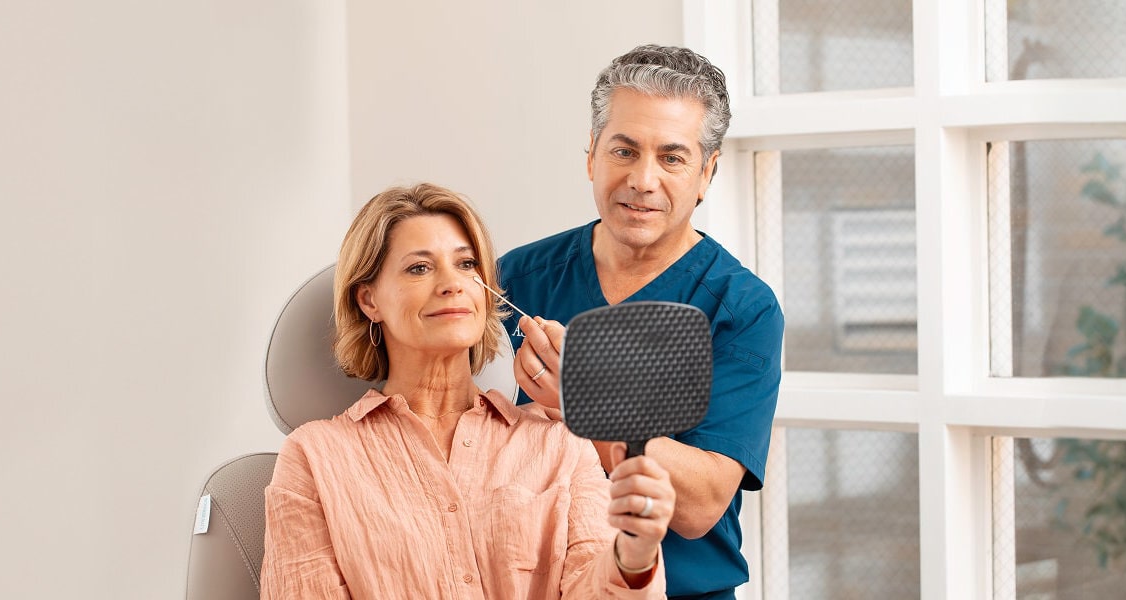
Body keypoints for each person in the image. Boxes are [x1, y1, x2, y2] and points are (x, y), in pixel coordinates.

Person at [262, 183, 678, 599]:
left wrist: (633, 554)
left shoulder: (559, 445)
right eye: (419, 268)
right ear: (369, 300)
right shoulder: (314, 458)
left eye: (466, 264)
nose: (452, 284)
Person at [499, 45, 783, 600]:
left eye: (672, 158)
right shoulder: (517, 277)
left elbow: (700, 506)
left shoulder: (741, 308)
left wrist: (584, 403)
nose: (642, 179)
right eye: (623, 150)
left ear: (707, 173)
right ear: (591, 157)